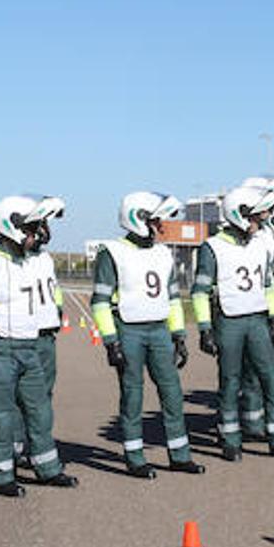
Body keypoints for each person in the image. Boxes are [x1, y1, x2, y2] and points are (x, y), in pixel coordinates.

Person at [0, 195, 79, 494]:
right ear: (13, 227)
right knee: (0, 413)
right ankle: (2, 474)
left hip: (29, 344)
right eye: (34, 226)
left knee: (39, 410)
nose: (40, 233)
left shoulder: (35, 260)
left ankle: (47, 468)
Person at [91, 191, 204, 476]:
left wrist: (178, 334)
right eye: (155, 220)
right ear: (137, 219)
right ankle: (134, 457)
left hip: (159, 330)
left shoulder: (163, 253)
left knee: (172, 392)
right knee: (132, 395)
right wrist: (110, 342)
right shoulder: (112, 252)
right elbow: (100, 302)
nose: (160, 226)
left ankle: (179, 455)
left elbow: (174, 298)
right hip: (128, 330)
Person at [193, 186, 274, 461]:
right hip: (229, 321)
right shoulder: (213, 247)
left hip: (257, 319)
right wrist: (205, 328)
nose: (260, 221)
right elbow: (199, 292)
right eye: (255, 216)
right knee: (230, 381)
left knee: (272, 378)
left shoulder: (262, 244)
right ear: (239, 214)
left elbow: (269, 283)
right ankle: (230, 438)